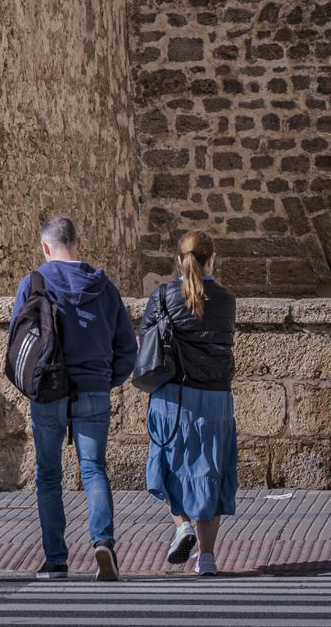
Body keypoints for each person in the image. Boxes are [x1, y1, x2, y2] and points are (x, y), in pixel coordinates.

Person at [10, 215, 136, 580]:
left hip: (48, 389)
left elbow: (17, 341)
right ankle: (103, 542)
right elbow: (127, 347)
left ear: (45, 247)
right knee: (94, 469)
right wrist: (106, 379)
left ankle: (56, 559)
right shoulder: (105, 288)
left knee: (48, 474)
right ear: (79, 244)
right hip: (94, 387)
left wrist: (31, 385)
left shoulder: (33, 283)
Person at [142, 229, 237, 577]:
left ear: (178, 261)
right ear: (212, 260)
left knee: (168, 465)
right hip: (215, 398)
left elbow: (146, 338)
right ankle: (207, 558)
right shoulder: (226, 300)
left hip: (173, 396)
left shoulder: (163, 295)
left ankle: (182, 525)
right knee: (212, 472)